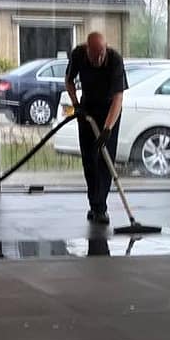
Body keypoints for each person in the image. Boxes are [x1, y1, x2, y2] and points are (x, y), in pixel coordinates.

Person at [63, 30, 127, 222]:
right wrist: (76, 105)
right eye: (94, 55)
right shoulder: (78, 54)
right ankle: (94, 205)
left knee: (105, 160)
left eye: (101, 54)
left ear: (106, 48)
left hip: (109, 111)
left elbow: (118, 98)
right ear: (87, 50)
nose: (98, 59)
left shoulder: (115, 60)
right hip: (87, 110)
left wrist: (107, 129)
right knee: (89, 159)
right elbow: (69, 81)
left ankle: (101, 207)